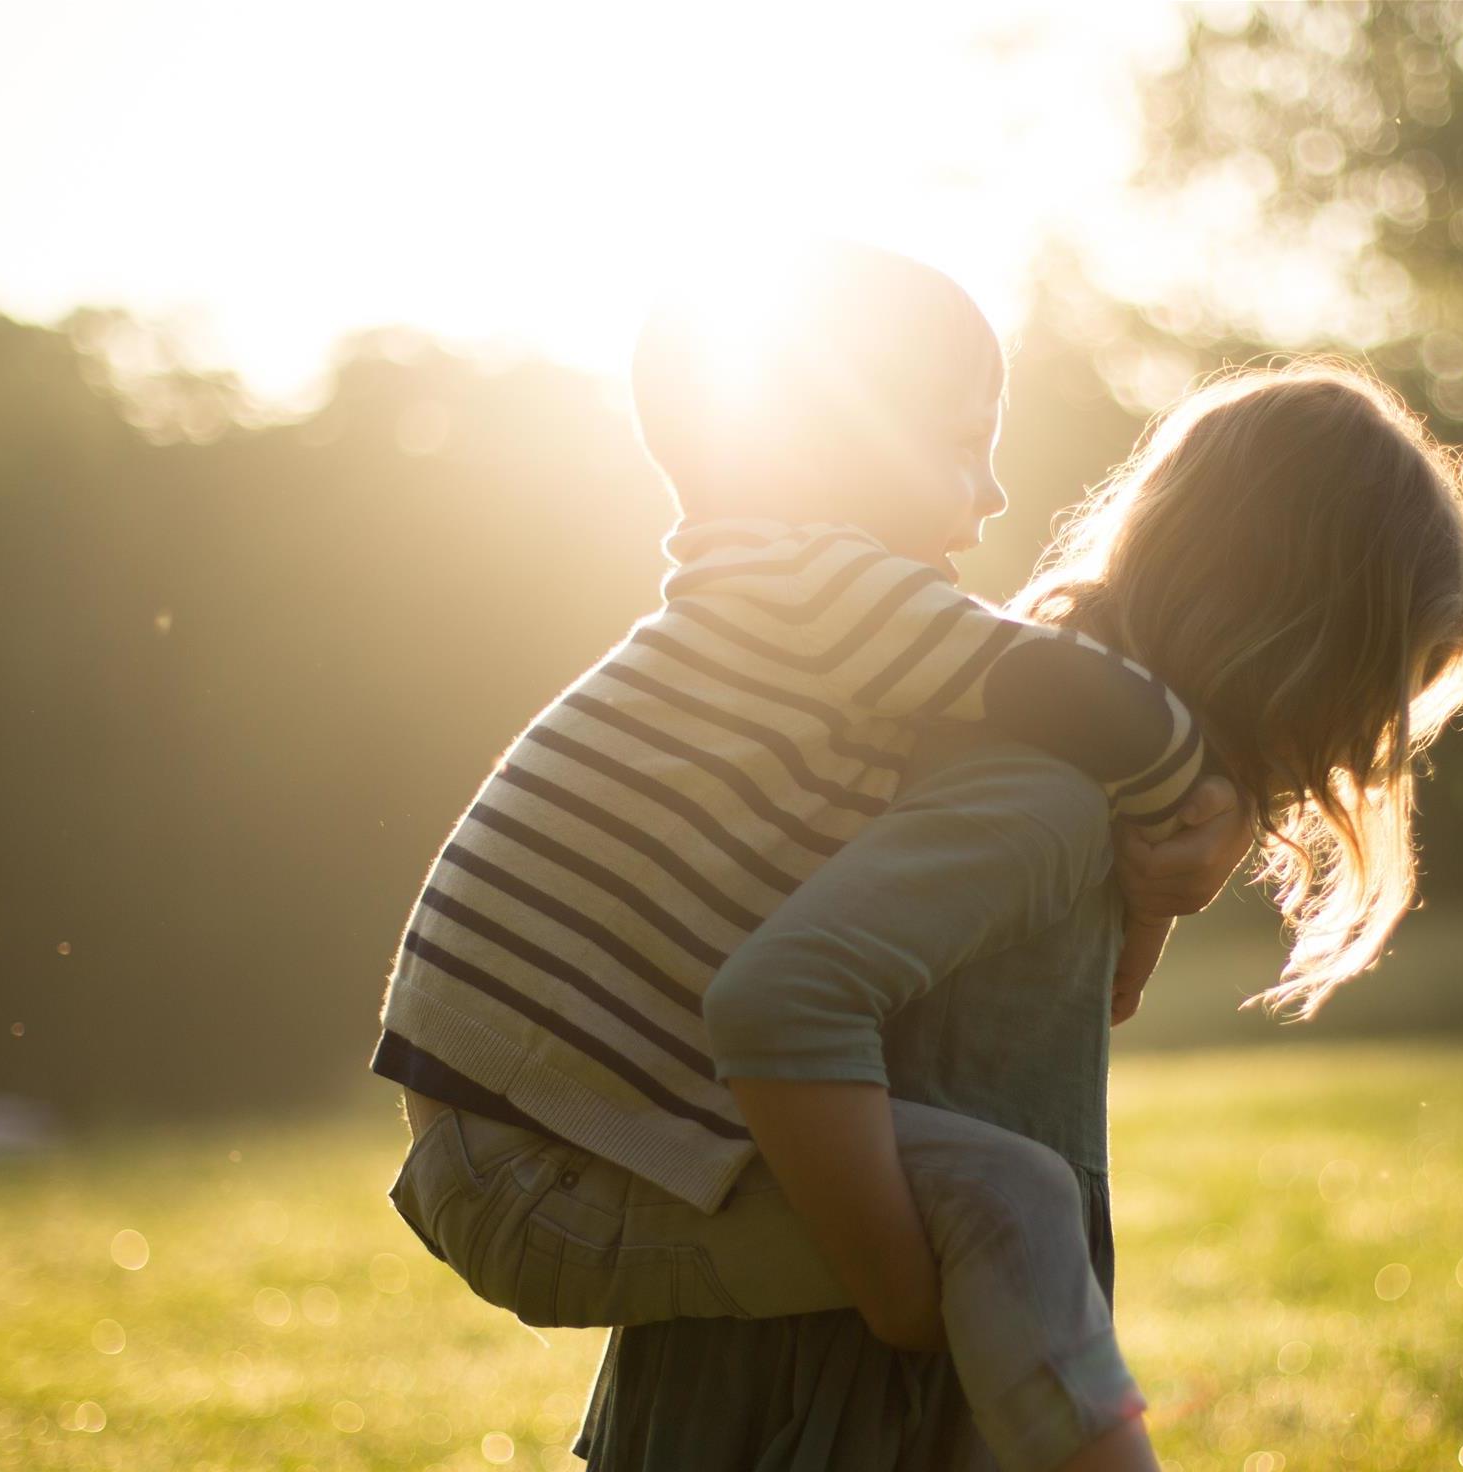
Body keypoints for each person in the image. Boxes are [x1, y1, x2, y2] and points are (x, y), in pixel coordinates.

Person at [374, 241, 1251, 1472]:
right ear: (830, 447)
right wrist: (1196, 809)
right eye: (958, 441)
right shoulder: (813, 589)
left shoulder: (778, 607)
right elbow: (1079, 694)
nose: (992, 492)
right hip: (537, 1163)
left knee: (990, 1203)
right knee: (1009, 1199)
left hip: (530, 1140)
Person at [573, 358, 1463, 1468]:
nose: (1363, 747)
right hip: (829, 1391)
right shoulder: (1043, 798)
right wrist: (902, 1295)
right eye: (1376, 689)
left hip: (882, 1362)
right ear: (1290, 640)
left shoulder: (1082, 783)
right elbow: (785, 997)